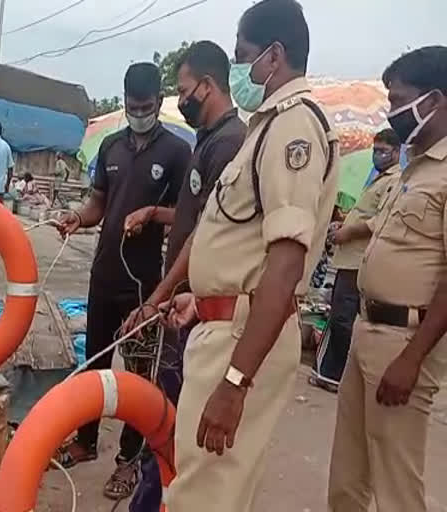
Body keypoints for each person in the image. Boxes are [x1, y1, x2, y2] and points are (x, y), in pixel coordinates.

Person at [162, 1, 338, 510]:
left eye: (243, 56)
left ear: (274, 56)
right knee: (206, 487)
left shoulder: (293, 128)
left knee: (205, 496)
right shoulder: (266, 126)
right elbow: (243, 244)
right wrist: (203, 300)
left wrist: (235, 383)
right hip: (223, 328)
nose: (238, 69)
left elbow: (284, 265)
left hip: (239, 345)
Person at [119, 41, 247, 512]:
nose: (181, 99)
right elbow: (197, 223)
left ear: (207, 86)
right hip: (186, 302)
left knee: (175, 420)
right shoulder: (209, 141)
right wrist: (156, 214)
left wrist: (160, 294)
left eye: (183, 90)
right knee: (171, 409)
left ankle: (153, 500)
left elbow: (207, 237)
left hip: (203, 309)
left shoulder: (231, 145)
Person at [56, 62, 190, 501]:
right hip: (104, 273)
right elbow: (99, 203)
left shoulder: (175, 152)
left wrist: (152, 214)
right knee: (94, 362)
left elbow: (188, 214)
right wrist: (77, 218)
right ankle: (86, 440)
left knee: (136, 375)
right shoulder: (111, 147)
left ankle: (128, 461)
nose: (138, 113)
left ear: (159, 101)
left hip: (143, 284)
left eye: (146, 106)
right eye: (132, 106)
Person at [328, 45, 447, 512]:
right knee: (347, 479)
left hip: (405, 341)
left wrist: (412, 358)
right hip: (367, 330)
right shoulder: (412, 168)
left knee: (397, 487)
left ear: (434, 100)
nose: (391, 111)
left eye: (398, 100)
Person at [310, 128, 402, 392]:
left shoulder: (394, 181)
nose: (378, 155)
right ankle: (331, 374)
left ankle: (341, 375)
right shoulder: (379, 178)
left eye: (383, 151)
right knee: (340, 316)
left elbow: (378, 221)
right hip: (347, 257)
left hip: (357, 260)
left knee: (343, 318)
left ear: (396, 153)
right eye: (376, 150)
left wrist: (348, 231)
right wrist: (342, 225)